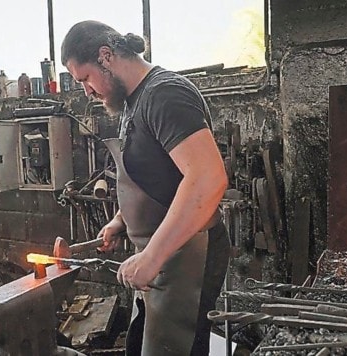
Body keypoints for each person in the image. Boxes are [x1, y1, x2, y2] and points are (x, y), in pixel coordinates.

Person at [61, 20, 231, 356]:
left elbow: (208, 178)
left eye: (85, 79)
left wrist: (152, 257)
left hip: (188, 257)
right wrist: (121, 220)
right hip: (163, 255)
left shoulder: (166, 94)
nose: (87, 92)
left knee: (176, 348)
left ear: (106, 56)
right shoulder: (133, 101)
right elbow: (157, 178)